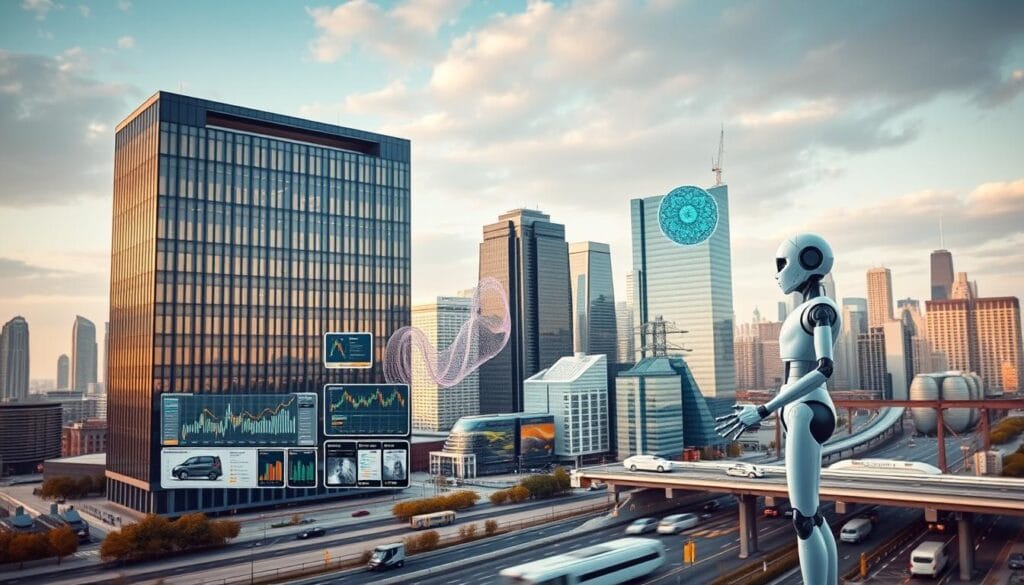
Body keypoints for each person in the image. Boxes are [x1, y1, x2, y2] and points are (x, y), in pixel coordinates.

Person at [716, 234, 841, 585]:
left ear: (809, 260)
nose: (778, 274)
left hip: (805, 410)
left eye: (782, 264)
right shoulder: (808, 309)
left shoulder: (820, 309)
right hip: (800, 407)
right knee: (812, 515)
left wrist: (765, 409)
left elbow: (824, 368)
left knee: (802, 519)